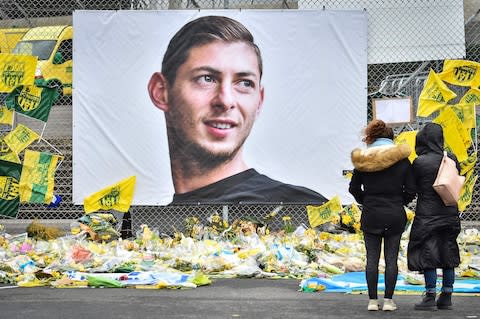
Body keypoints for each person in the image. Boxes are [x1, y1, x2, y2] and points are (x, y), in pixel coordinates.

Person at [147, 15, 327, 205]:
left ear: (259, 101)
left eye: (244, 83)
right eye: (206, 78)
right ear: (161, 92)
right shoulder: (152, 226)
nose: (225, 101)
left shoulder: (302, 210)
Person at [349, 119, 416, 312]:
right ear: (391, 138)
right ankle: (388, 300)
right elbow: (412, 188)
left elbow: (353, 188)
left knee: (372, 258)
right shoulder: (402, 160)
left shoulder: (363, 160)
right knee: (391, 258)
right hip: (395, 213)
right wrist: (400, 200)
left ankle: (372, 301)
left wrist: (365, 200)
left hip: (371, 213)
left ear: (371, 138)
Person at [407, 122, 461, 311]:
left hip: (427, 215)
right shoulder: (451, 159)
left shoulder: (420, 162)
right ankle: (446, 296)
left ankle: (430, 295)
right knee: (448, 251)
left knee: (428, 253)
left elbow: (412, 189)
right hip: (450, 212)